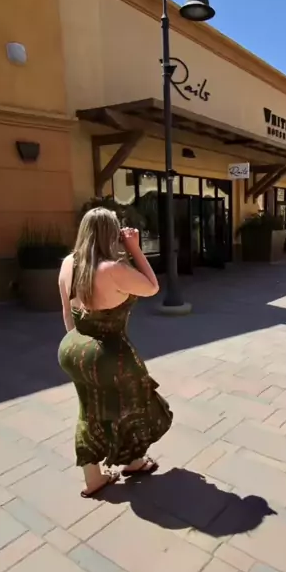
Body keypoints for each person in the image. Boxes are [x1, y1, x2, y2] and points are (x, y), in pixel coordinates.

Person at [58, 208, 173, 498]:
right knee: (130, 406)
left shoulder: (69, 263)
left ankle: (93, 478)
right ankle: (133, 462)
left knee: (88, 409)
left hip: (72, 347)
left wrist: (79, 347)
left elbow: (67, 314)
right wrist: (134, 248)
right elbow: (152, 286)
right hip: (109, 352)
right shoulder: (112, 269)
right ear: (112, 233)